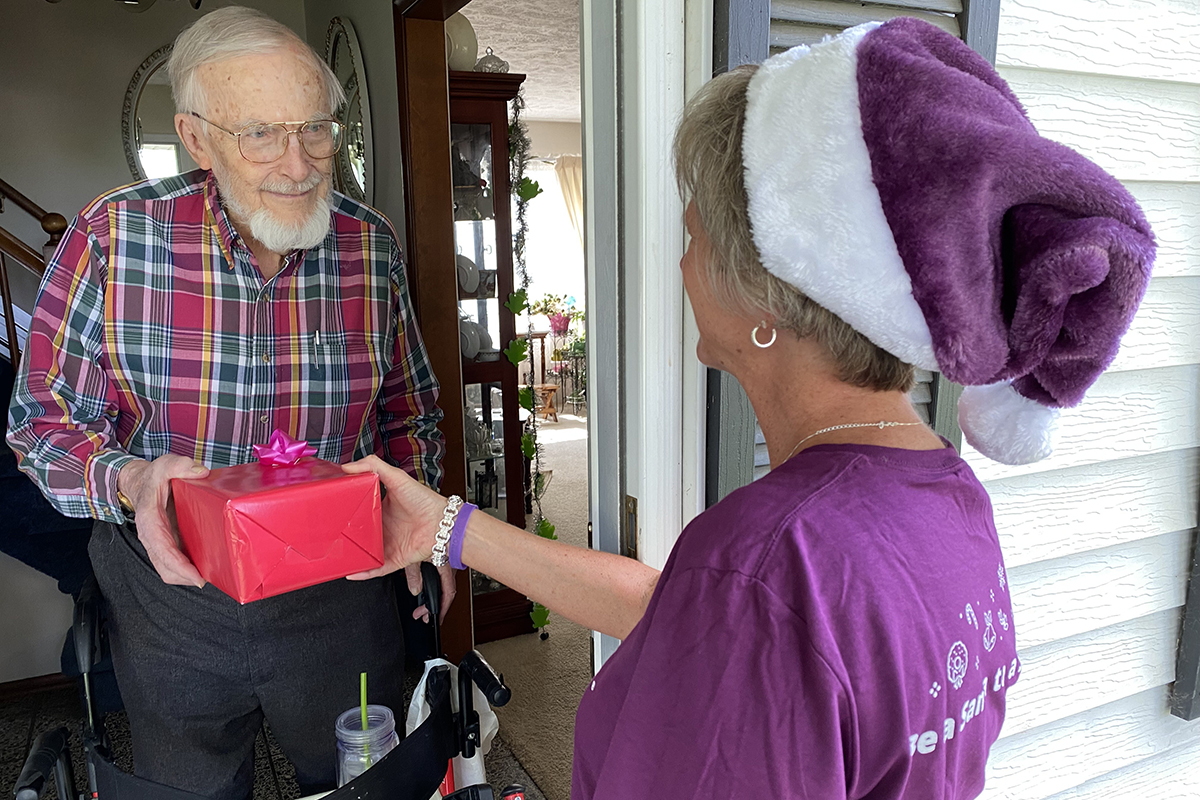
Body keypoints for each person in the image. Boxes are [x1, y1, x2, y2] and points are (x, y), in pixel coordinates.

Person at [344, 18, 1155, 800]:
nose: (685, 263)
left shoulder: (768, 564)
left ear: (761, 292)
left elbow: (740, 609)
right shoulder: (945, 496)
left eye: (694, 236)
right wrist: (443, 529)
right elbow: (676, 611)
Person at [6, 7, 451, 799]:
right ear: (197, 137)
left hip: (337, 590)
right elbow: (40, 425)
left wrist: (429, 530)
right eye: (261, 134)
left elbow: (407, 412)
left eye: (318, 129)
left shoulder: (368, 244)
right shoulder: (111, 239)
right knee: (191, 789)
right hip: (169, 595)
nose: (301, 162)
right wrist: (132, 482)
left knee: (368, 778)